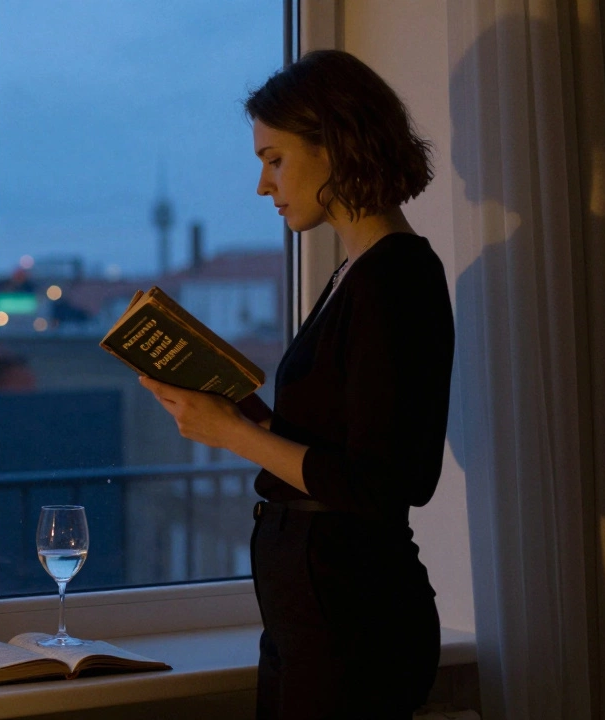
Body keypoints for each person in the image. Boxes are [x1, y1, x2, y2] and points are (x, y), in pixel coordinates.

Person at [139, 50, 454, 718]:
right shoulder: (356, 274)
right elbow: (336, 441)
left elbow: (383, 480)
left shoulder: (395, 279)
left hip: (353, 619)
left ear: (334, 145)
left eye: (274, 158)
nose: (263, 184)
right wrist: (235, 414)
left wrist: (232, 434)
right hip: (316, 614)